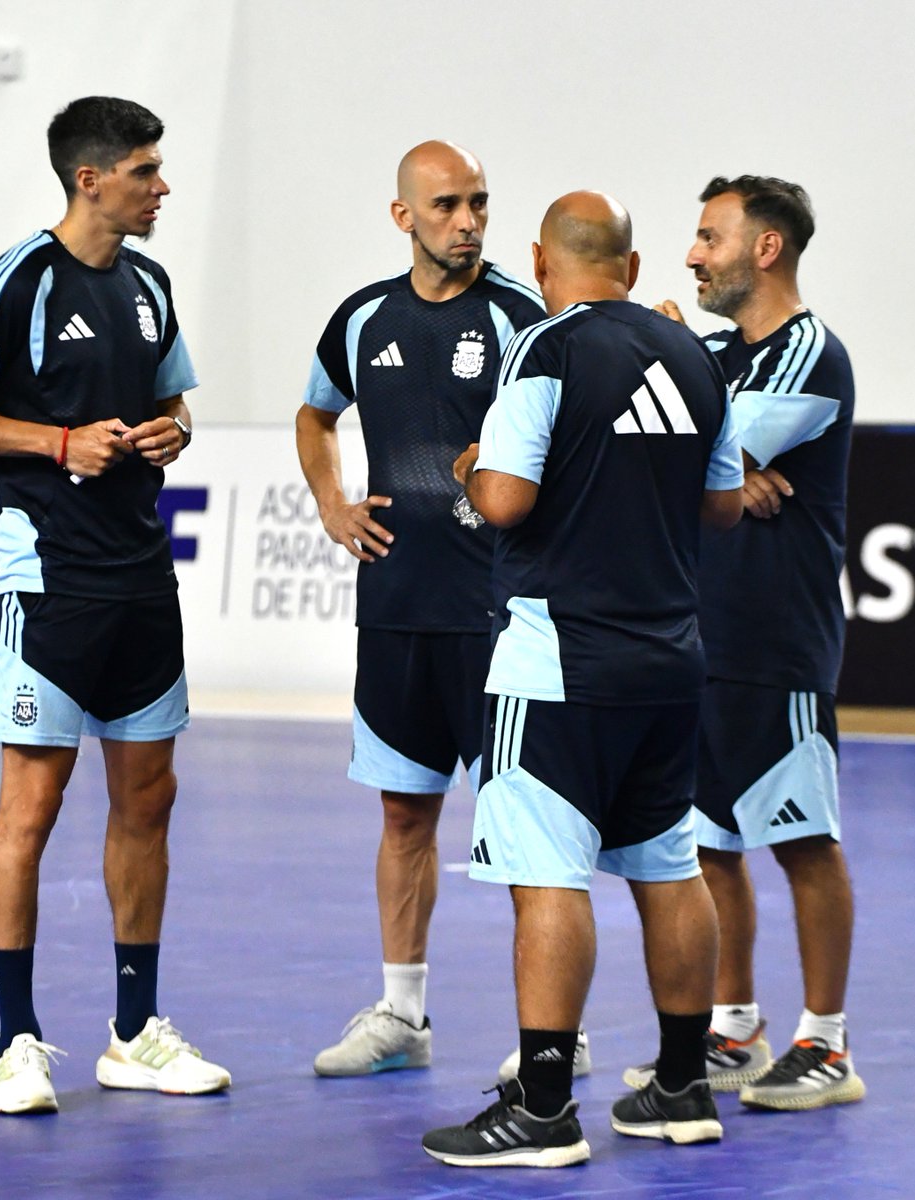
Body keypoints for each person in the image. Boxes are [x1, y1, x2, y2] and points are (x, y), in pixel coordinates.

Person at [0, 96, 230, 1114]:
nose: (162, 186)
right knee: (31, 808)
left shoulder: (149, 282)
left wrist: (173, 431)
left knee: (148, 801)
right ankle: (15, 1043)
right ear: (90, 179)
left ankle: (135, 1032)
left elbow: (174, 398)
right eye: (145, 171)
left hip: (143, 577)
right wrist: (55, 443)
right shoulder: (19, 280)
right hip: (47, 584)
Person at [421, 191, 744, 1168]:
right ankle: (683, 1086)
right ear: (635, 268)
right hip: (667, 661)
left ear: (542, 261)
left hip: (557, 657)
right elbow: (724, 505)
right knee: (667, 865)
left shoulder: (547, 347)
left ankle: (544, 1108)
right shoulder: (696, 356)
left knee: (546, 874)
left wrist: (472, 470)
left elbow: (509, 500)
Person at [295, 142, 592, 1078]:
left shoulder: (521, 316)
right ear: (404, 217)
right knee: (404, 818)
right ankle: (402, 1015)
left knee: (521, 830)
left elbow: (579, 430)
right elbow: (314, 414)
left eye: (479, 204)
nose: (467, 221)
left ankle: (558, 1036)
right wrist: (333, 503)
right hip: (395, 612)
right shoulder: (360, 319)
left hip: (500, 619)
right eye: (448, 206)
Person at [623, 175, 865, 1111]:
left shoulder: (810, 352)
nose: (692, 254)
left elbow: (679, 449)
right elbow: (662, 447)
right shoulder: (715, 356)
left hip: (777, 639)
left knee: (804, 840)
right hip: (698, 637)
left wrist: (710, 456)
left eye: (708, 236)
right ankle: (734, 1029)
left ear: (765, 249)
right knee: (711, 844)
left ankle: (829, 1045)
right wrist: (727, 465)